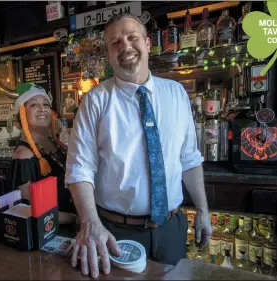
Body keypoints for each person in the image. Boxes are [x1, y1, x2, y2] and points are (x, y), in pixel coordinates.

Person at [65, 13, 212, 279]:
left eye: (132, 37)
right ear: (109, 56)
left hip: (171, 228)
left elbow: (188, 158)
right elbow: (79, 169)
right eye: (115, 43)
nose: (125, 47)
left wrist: (202, 210)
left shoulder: (176, 93)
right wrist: (90, 225)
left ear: (146, 42)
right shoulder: (96, 101)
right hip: (115, 232)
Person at [11, 82, 76, 224]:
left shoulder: (56, 144)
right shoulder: (25, 154)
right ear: (22, 113)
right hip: (53, 228)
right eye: (33, 105)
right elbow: (29, 207)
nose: (42, 109)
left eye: (46, 104)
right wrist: (72, 219)